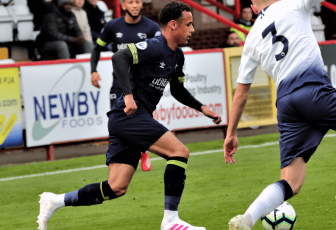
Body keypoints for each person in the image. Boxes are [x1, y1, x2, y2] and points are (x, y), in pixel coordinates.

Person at [36, 2, 222, 230]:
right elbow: (119, 57)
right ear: (174, 25)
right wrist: (129, 95)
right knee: (179, 152)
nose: (193, 30)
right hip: (128, 115)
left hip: (126, 120)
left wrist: (202, 108)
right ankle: (171, 221)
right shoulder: (155, 46)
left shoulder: (178, 56)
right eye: (189, 24)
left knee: (116, 187)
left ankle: (55, 200)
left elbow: (177, 90)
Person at [223, 0, 336, 229]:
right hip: (312, 90)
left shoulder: (251, 39)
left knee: (291, 182)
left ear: (254, 8)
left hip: (286, 103)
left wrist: (231, 133)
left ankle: (246, 219)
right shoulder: (293, 3)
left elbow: (241, 94)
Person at [90, 0, 161, 171]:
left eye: (137, 1)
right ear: (123, 6)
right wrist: (93, 70)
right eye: (130, 2)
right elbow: (96, 49)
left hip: (142, 85)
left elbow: (160, 51)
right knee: (115, 120)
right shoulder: (112, 26)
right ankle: (116, 155)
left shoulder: (151, 28)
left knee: (142, 120)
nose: (135, 5)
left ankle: (143, 152)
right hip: (119, 83)